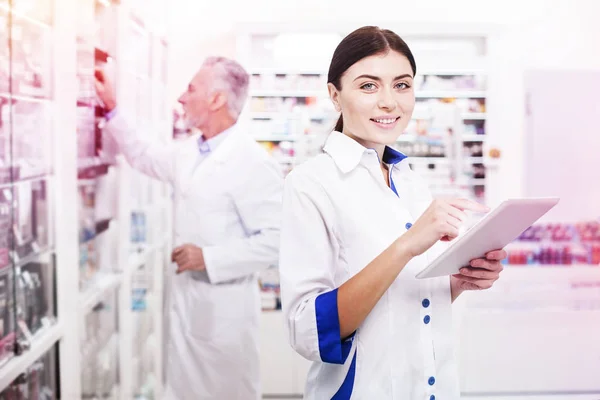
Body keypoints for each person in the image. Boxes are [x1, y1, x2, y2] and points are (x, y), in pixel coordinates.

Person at [278, 26, 507, 400]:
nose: (390, 102)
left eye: (402, 85)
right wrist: (407, 245)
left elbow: (406, 299)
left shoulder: (408, 178)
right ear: (335, 96)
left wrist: (460, 281)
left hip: (432, 385)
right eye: (369, 86)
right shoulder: (310, 183)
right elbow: (308, 330)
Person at [95, 57, 283, 400]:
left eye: (191, 89)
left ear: (216, 100)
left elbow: (277, 241)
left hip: (223, 316)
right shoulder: (190, 153)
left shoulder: (252, 163)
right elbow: (144, 156)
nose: (181, 98)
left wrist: (208, 258)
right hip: (188, 308)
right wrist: (111, 107)